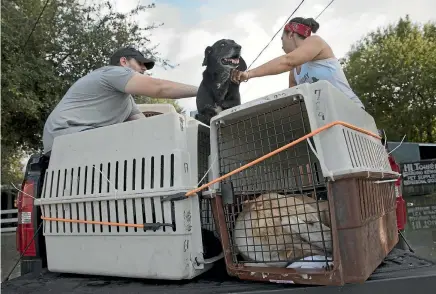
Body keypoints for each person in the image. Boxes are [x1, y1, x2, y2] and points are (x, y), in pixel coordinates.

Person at [42, 46, 198, 155]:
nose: (144, 68)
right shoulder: (114, 73)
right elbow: (160, 88)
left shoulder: (127, 102)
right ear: (124, 62)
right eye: (139, 63)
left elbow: (146, 127)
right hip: (66, 135)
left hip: (72, 140)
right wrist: (203, 91)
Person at [230, 17, 364, 109]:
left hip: (351, 110)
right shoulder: (294, 73)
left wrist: (248, 74)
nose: (282, 46)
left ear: (290, 35)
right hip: (327, 119)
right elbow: (294, 102)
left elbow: (287, 61)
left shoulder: (316, 42)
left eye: (282, 39)